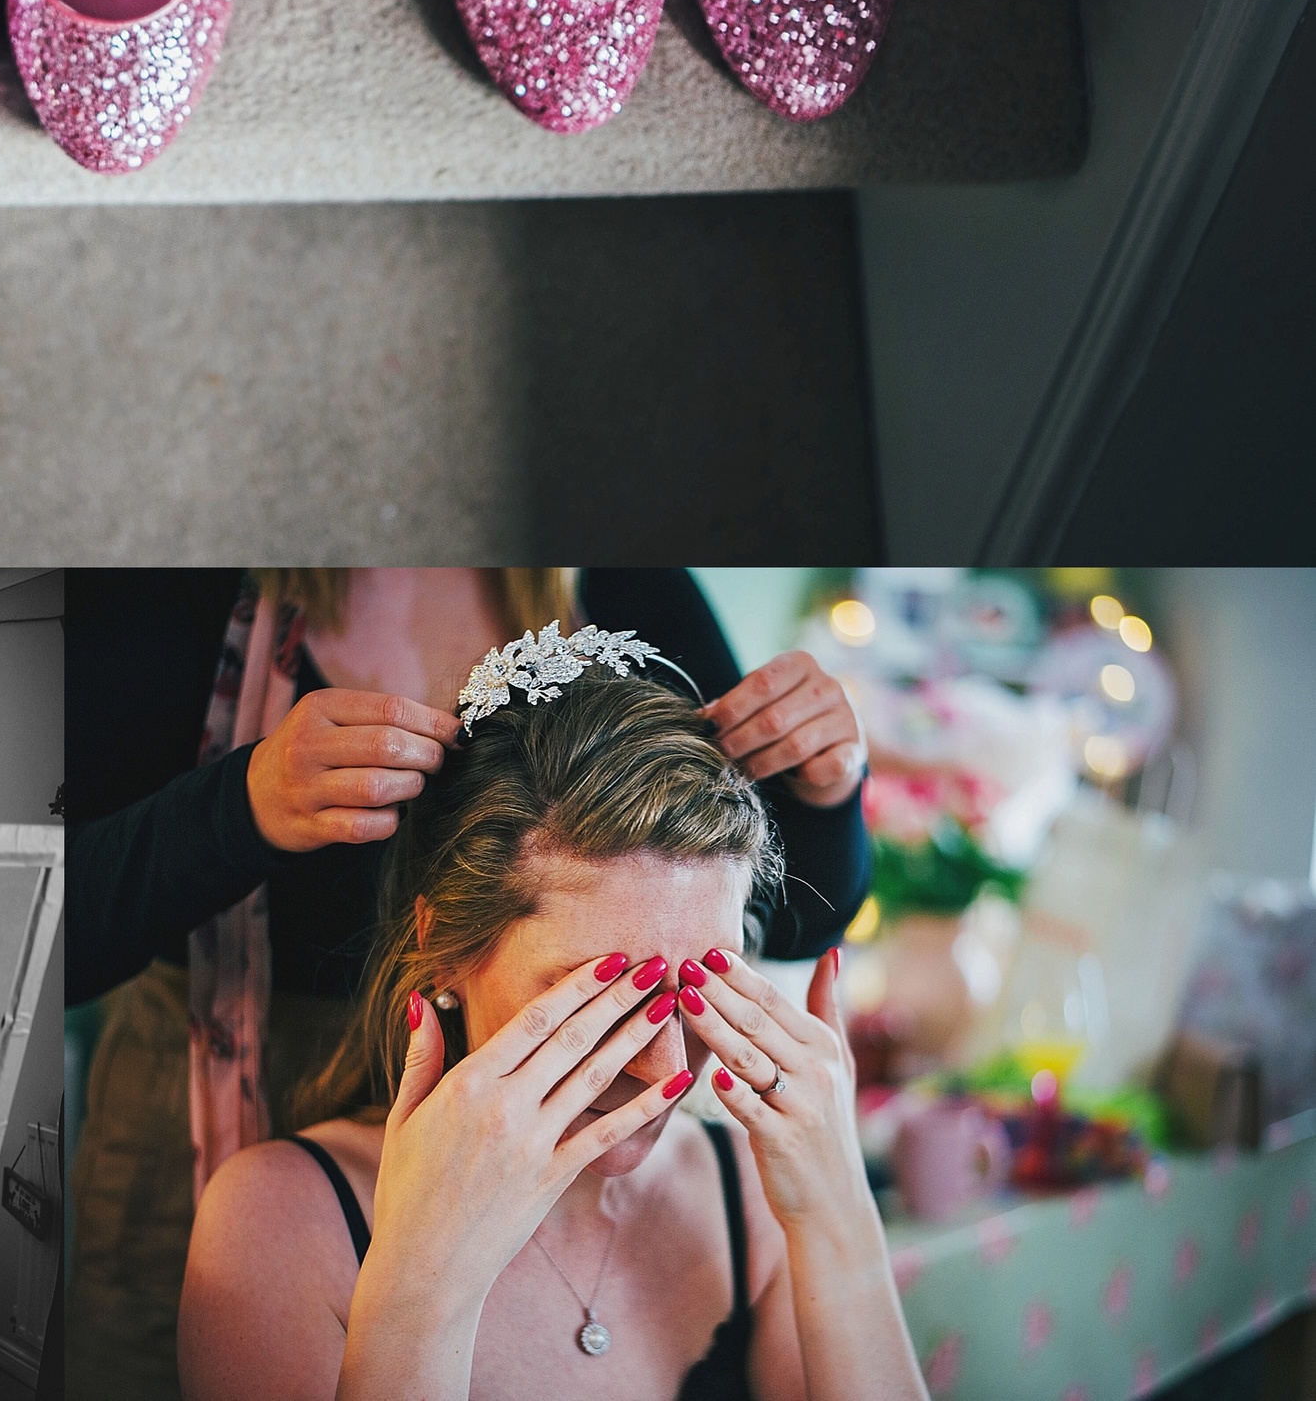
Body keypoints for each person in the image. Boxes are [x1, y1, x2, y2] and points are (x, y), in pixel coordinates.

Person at [65, 571, 868, 1401]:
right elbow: (42, 936)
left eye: (697, 983)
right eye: (596, 992)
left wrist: (829, 793)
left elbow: (775, 893)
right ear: (438, 943)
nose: (665, 1068)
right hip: (218, 1133)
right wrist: (238, 805)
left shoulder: (748, 1202)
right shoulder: (164, 587)